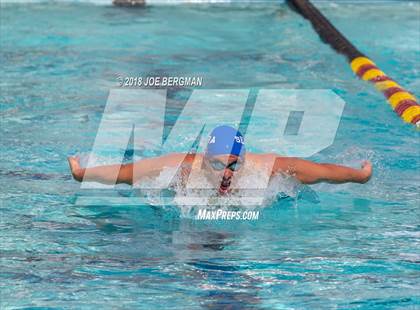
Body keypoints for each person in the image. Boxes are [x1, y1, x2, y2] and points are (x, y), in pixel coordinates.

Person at [68, 125, 372, 195]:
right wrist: (83, 174)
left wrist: (360, 175)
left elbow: (324, 172)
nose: (226, 173)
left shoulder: (267, 169)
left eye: (233, 165)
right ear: (205, 159)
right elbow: (125, 173)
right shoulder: (185, 167)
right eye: (218, 164)